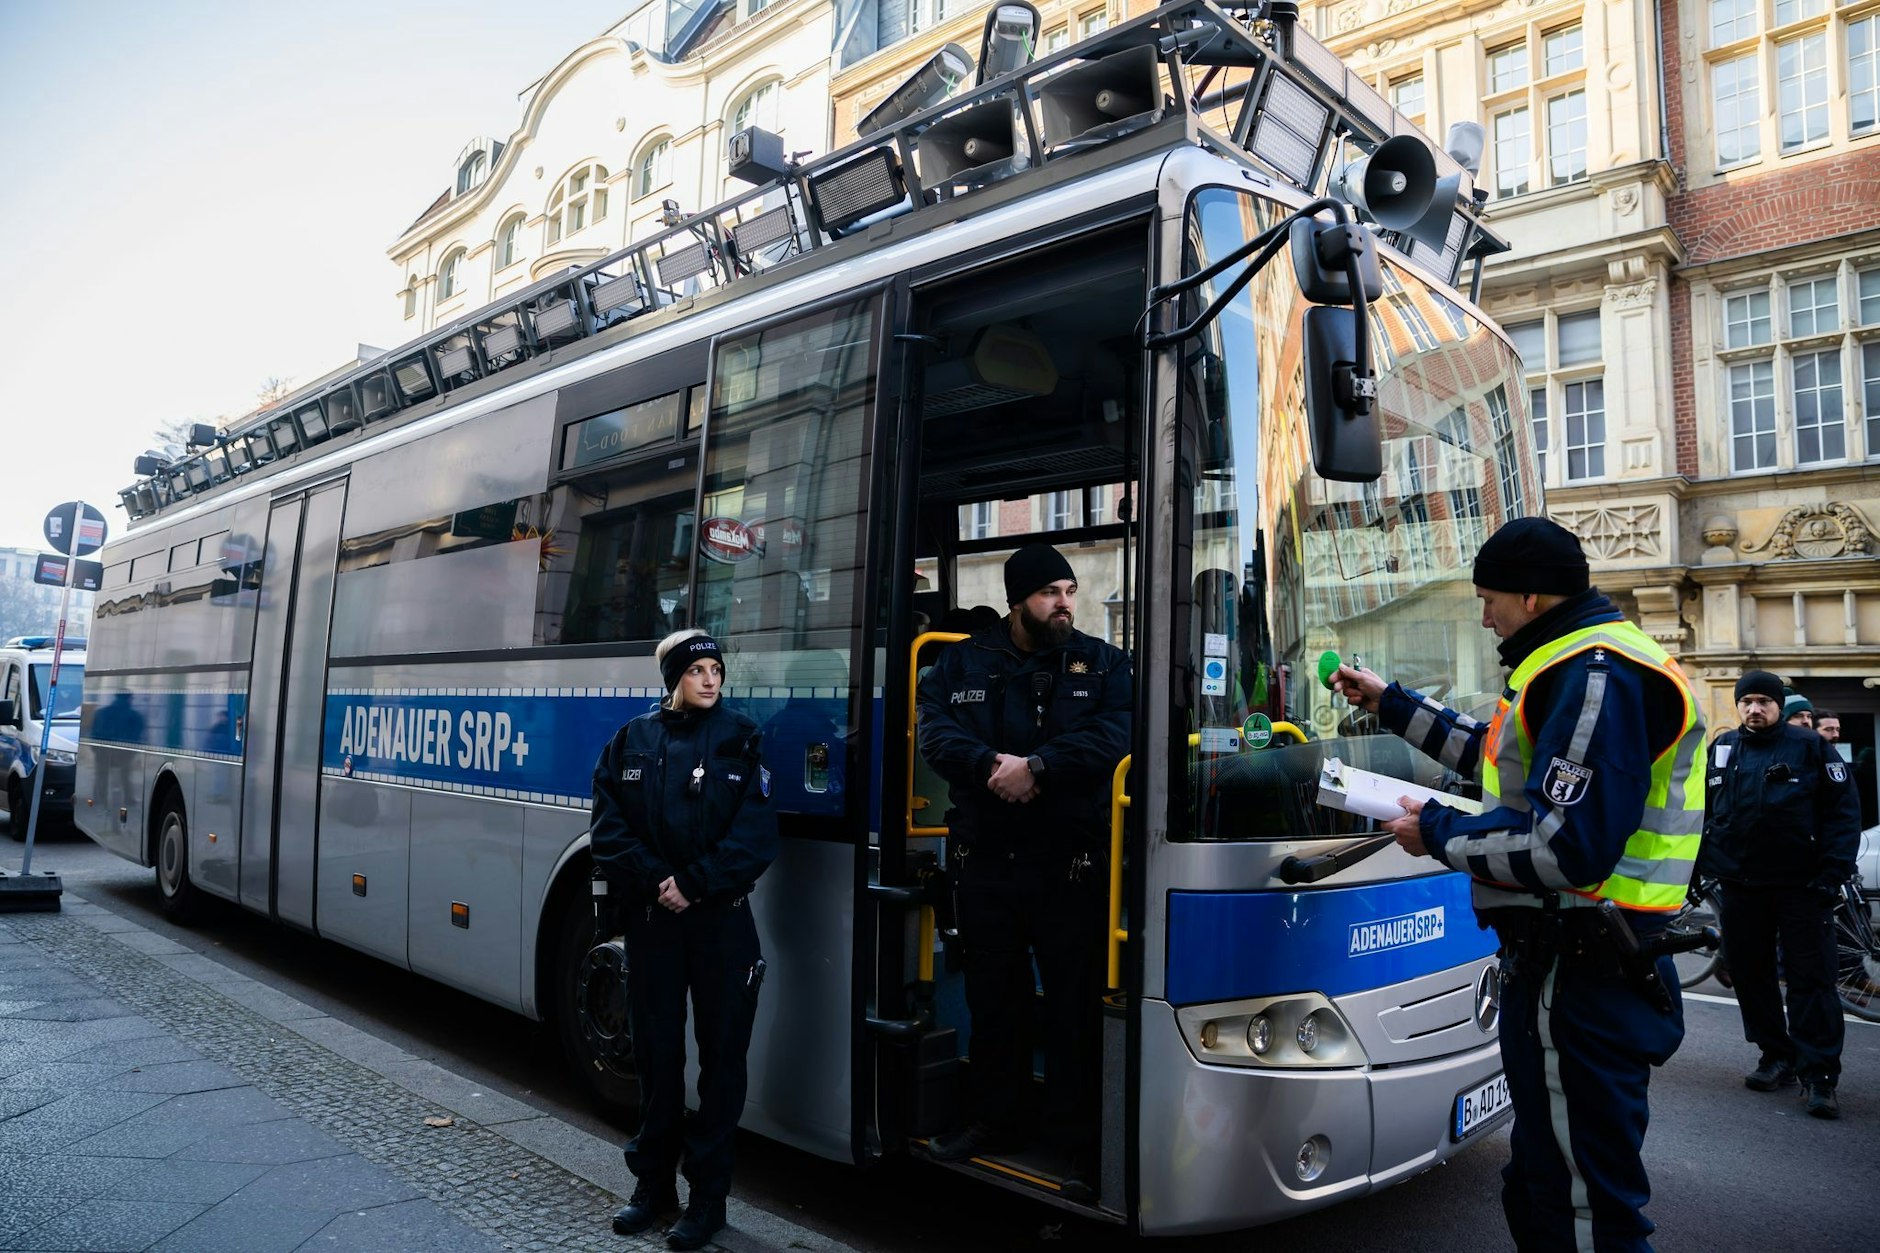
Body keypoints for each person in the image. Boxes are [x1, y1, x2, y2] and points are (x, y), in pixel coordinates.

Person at [1331, 517, 1706, 1252]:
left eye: (1489, 598)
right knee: (1540, 1187)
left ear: (1532, 596)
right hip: (1568, 964)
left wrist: (1433, 831)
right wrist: (1391, 704)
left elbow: (1564, 847)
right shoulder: (1568, 660)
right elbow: (1498, 751)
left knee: (1581, 1210)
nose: (1483, 615)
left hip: (1583, 969)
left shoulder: (1594, 673)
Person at [916, 543, 1132, 1199]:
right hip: (990, 866)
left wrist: (1036, 768)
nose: (1065, 602)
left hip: (1070, 866)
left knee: (1072, 1009)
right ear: (1018, 599)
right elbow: (936, 733)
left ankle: (1078, 1147)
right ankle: (994, 1121)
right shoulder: (960, 661)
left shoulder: (1103, 662)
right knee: (996, 1003)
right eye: (1050, 592)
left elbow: (1117, 733)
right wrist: (990, 768)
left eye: (1069, 590)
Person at [590, 629, 779, 1250]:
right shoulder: (632, 741)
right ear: (673, 678)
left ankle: (707, 1201)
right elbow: (609, 830)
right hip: (654, 923)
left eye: (715, 670)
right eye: (696, 670)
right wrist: (656, 883)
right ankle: (653, 1189)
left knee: (722, 1063)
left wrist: (695, 883)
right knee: (656, 1056)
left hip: (721, 922)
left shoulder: (741, 737)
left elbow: (756, 836)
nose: (709, 680)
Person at [1699, 669, 1860, 1120]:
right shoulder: (1724, 747)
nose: (1754, 709)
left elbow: (1843, 813)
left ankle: (1820, 1077)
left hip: (1802, 887)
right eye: (1746, 701)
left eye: (1763, 702)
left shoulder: (1810, 747)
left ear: (1778, 705)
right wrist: (1699, 865)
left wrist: (1831, 874)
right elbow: (1706, 809)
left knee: (1812, 980)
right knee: (1751, 976)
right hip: (1739, 885)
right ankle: (1777, 1056)